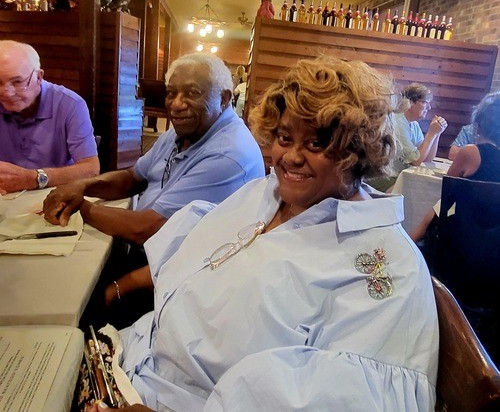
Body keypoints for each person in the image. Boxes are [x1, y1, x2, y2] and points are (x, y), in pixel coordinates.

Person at [88, 56, 438, 411]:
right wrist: (119, 288)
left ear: (359, 149)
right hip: (131, 353)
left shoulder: (388, 265)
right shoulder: (266, 193)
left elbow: (355, 401)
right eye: (284, 137)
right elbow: (200, 251)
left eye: (316, 143)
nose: (291, 157)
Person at [43, 53, 265, 323]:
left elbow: (145, 230)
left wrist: (79, 204)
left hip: (174, 283)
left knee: (69, 303)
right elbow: (133, 178)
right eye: (171, 93)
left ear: (224, 99)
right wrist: (81, 185)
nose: (177, 104)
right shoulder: (184, 131)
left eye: (192, 93)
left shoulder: (228, 154)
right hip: (147, 256)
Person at [0, 40, 99, 194]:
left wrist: (34, 178)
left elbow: (91, 169)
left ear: (39, 77)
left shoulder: (70, 104)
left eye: (17, 82)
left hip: (53, 195)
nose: (7, 93)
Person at [411, 91, 500, 242]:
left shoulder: (471, 153)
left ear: (477, 124)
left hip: (463, 236)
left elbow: (446, 196)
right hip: (495, 243)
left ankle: (411, 243)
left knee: (436, 210)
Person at [368, 82, 448, 191]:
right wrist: (431, 134)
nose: (429, 107)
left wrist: (437, 133)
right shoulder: (397, 121)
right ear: (410, 102)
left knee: (426, 188)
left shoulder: (414, 124)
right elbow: (415, 161)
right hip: (384, 178)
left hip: (399, 176)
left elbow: (427, 158)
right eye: (425, 102)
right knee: (422, 190)